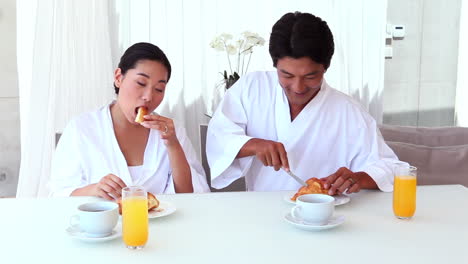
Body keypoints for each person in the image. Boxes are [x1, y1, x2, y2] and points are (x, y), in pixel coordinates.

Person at [206, 12, 402, 195]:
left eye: (310, 76)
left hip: (325, 216)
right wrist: (252, 144)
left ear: (326, 67)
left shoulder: (347, 111)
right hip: (260, 210)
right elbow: (219, 135)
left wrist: (358, 178)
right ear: (275, 65)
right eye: (287, 75)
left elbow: (390, 167)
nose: (298, 87)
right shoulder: (251, 89)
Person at [49, 42, 210, 199]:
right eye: (141, 83)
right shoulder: (82, 128)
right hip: (102, 226)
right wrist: (94, 190)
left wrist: (173, 145)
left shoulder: (172, 132)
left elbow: (190, 197)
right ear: (119, 78)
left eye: (159, 89)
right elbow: (58, 195)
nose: (148, 96)